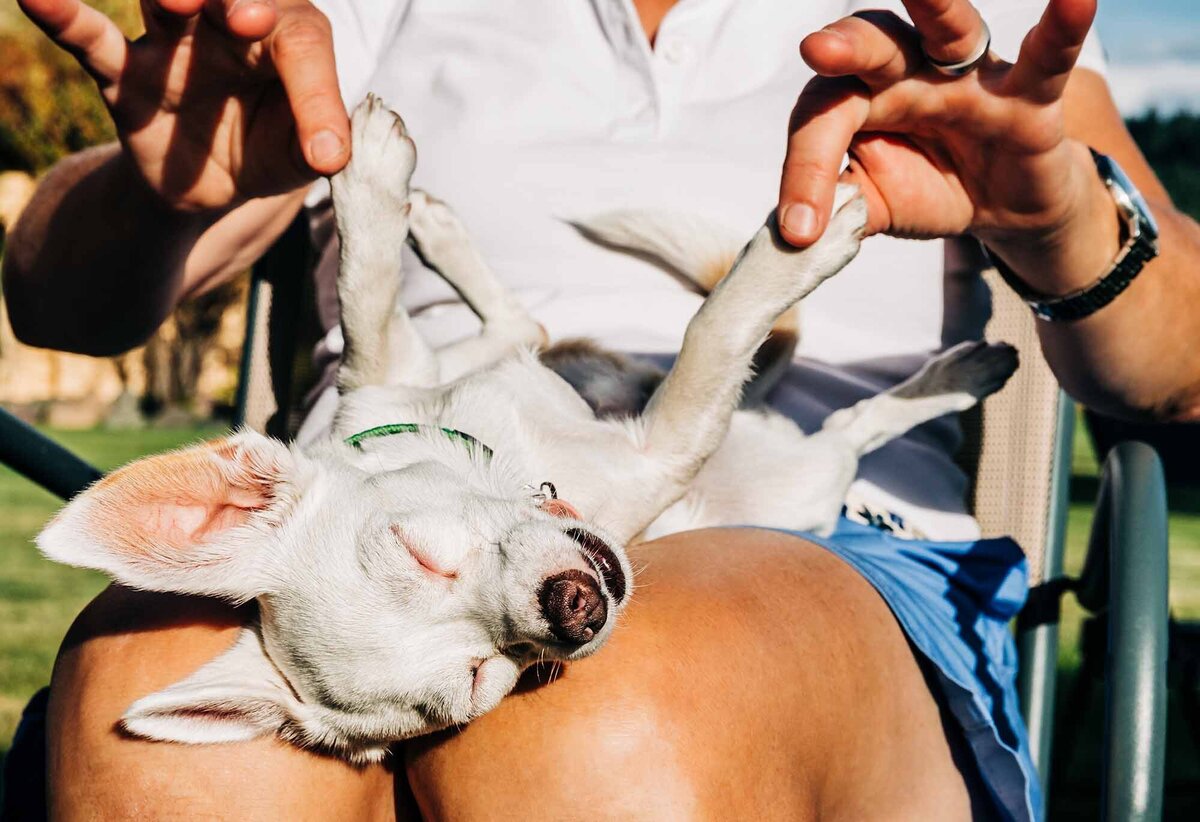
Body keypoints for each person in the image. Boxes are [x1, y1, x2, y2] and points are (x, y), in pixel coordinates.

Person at [5, 0, 1200, 818]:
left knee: (608, 721)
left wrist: (1063, 225)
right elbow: (52, 297)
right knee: (139, 704)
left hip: (816, 545)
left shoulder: (966, 18)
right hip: (384, 524)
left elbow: (1184, 371)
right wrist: (157, 193)